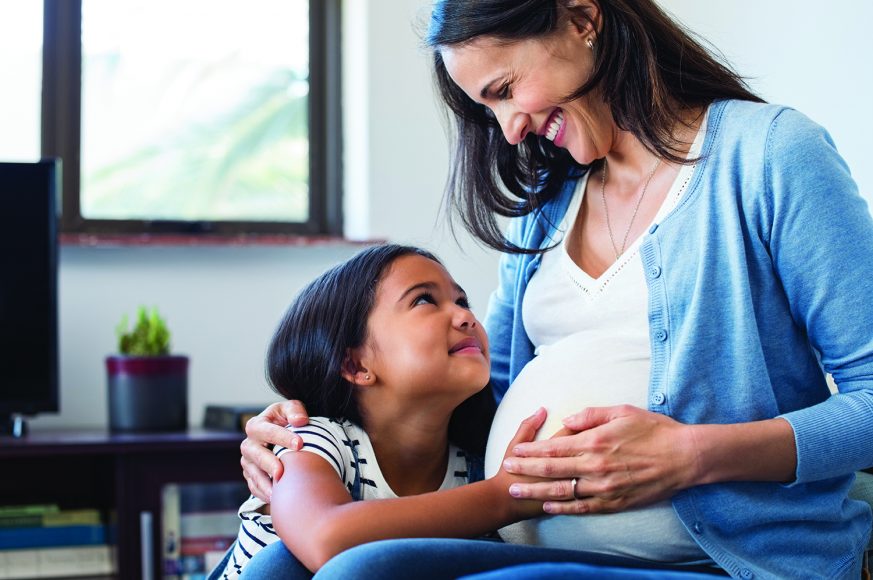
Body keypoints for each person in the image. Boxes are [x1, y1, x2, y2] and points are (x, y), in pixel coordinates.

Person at [239, 0, 873, 578]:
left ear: (581, 19)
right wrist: (309, 431)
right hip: (519, 540)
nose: (509, 129)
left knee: (359, 574)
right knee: (275, 569)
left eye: (506, 89)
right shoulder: (546, 207)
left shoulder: (767, 156)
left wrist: (692, 456)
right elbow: (485, 396)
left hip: (718, 558)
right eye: (488, 109)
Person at [213, 243, 555, 577]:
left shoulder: (475, 463)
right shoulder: (312, 443)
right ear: (355, 364)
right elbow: (326, 539)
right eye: (424, 300)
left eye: (462, 301)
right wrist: (503, 497)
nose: (465, 316)